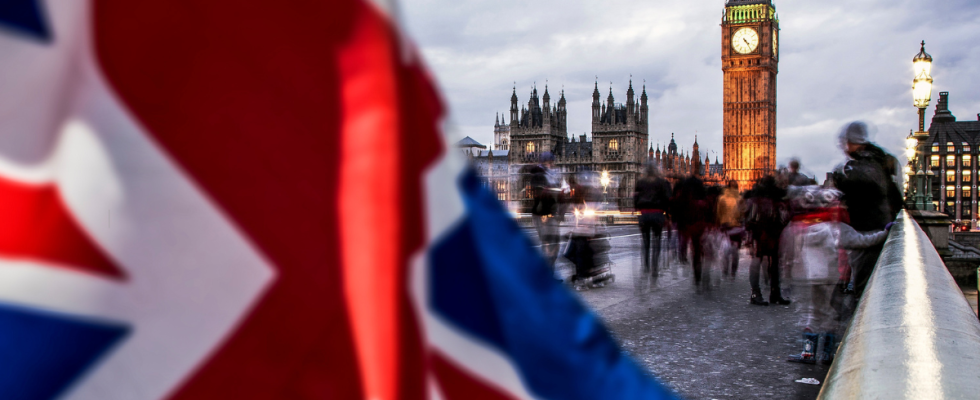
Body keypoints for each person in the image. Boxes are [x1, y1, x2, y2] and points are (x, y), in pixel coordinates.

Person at [782, 186, 891, 364]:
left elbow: (791, 251)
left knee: (812, 313)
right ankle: (826, 353)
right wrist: (885, 232)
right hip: (831, 277)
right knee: (830, 314)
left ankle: (808, 352)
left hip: (810, 277)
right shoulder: (838, 229)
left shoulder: (805, 227)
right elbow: (863, 241)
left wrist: (790, 274)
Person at [832, 121, 903, 295]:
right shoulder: (882, 159)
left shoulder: (865, 164)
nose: (844, 147)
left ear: (854, 142)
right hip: (879, 226)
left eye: (846, 143)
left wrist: (839, 178)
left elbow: (863, 185)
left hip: (870, 230)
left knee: (865, 289)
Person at [744, 176, 791, 305]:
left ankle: (757, 293)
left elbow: (748, 219)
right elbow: (785, 218)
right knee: (773, 263)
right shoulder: (776, 201)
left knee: (758, 263)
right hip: (771, 234)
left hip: (761, 235)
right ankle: (774, 293)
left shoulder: (755, 201)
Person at [671, 175, 710, 290]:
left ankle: (682, 254)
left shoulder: (682, 198)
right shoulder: (702, 200)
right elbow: (708, 212)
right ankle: (698, 274)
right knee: (697, 251)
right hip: (699, 227)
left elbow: (676, 210)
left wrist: (675, 221)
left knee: (684, 241)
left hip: (686, 226)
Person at [634, 164, 672, 278]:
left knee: (646, 242)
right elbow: (667, 199)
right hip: (657, 214)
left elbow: (635, 198)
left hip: (644, 214)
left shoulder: (640, 182)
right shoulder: (661, 182)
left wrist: (637, 210)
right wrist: (667, 215)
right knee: (657, 241)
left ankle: (646, 265)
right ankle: (654, 267)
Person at [529, 152, 562, 268]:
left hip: (550, 213)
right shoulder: (538, 175)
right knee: (548, 244)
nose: (552, 164)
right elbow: (539, 193)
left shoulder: (550, 175)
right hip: (542, 213)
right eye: (550, 162)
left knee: (554, 243)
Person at [716, 180, 743, 278]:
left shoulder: (722, 198)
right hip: (736, 227)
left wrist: (719, 223)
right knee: (735, 252)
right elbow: (743, 213)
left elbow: (719, 213)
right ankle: (733, 272)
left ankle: (725, 270)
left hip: (725, 226)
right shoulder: (740, 198)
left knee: (725, 251)